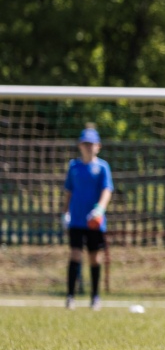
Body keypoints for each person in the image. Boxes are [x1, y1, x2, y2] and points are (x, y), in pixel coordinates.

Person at [62, 125, 113, 311]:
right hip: (76, 219)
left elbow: (107, 190)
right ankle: (70, 296)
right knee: (75, 254)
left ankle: (95, 297)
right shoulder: (73, 166)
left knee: (94, 258)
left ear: (98, 146)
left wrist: (100, 209)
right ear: (80, 145)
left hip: (94, 221)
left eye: (92, 144)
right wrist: (65, 212)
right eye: (85, 143)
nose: (88, 147)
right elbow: (68, 191)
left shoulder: (102, 167)